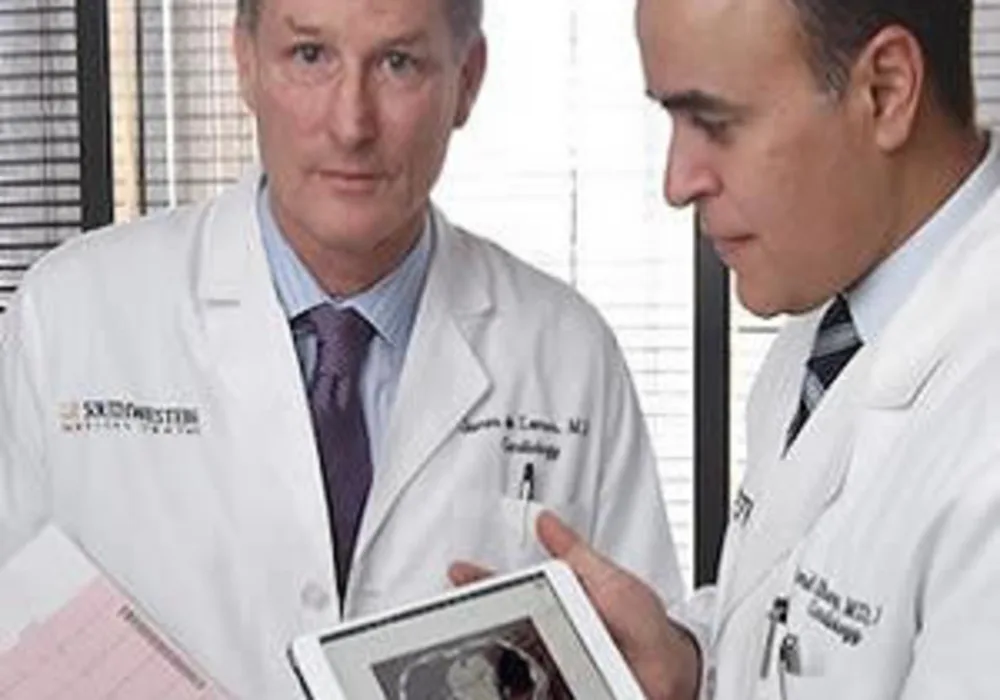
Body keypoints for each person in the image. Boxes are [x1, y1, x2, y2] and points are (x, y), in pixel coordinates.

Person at [0, 0, 685, 697]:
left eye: (398, 63)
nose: (351, 123)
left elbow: (639, 663)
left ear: (468, 80)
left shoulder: (565, 352)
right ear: (244, 61)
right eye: (309, 56)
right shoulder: (71, 314)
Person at [457, 0, 1000, 698]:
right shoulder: (828, 335)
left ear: (886, 91)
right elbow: (792, 624)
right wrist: (687, 667)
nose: (676, 182)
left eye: (714, 123)